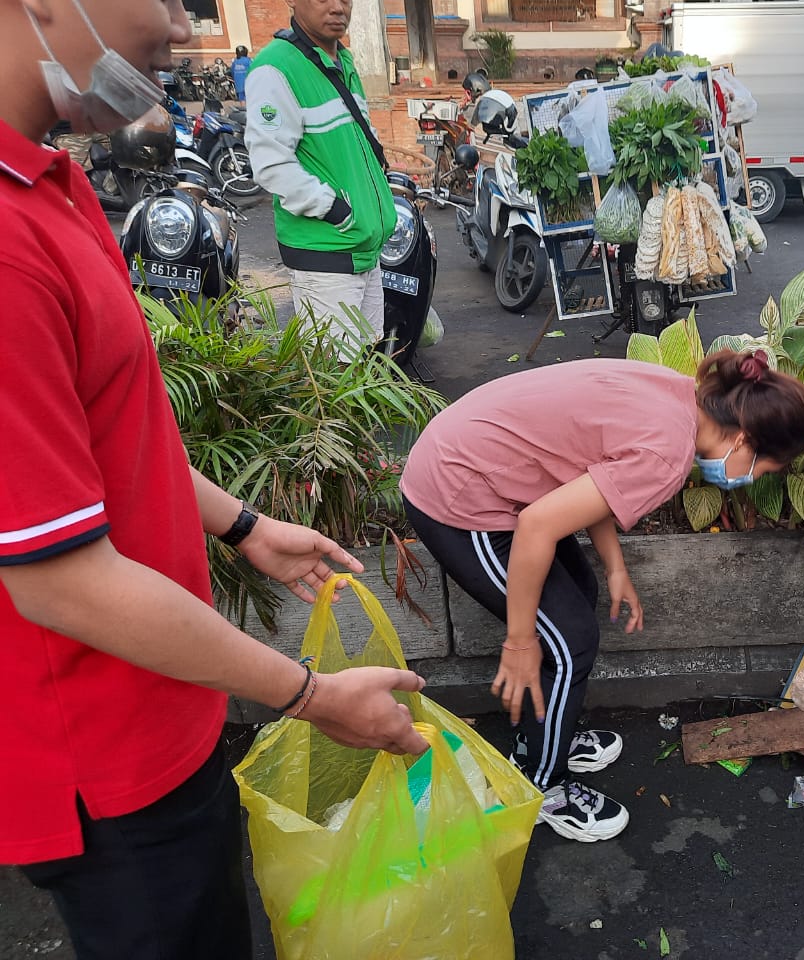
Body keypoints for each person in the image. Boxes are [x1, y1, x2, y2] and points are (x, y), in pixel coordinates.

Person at [0, 2, 428, 958]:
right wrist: (314, 697)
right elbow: (55, 576)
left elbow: (111, 437)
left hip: (163, 709)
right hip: (106, 766)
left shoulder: (51, 180)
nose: (183, 22)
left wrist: (243, 526)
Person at [399, 352, 804, 842]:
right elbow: (537, 524)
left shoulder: (683, 397)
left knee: (579, 598)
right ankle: (540, 787)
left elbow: (591, 466)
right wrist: (518, 641)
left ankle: (544, 736)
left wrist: (616, 567)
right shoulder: (667, 454)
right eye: (764, 468)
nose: (754, 478)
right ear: (744, 438)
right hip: (461, 497)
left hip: (482, 463)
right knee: (567, 641)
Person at [245, 0, 395, 361]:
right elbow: (271, 164)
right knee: (334, 376)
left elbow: (359, 137)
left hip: (364, 249)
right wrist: (337, 211)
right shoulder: (276, 68)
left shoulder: (342, 62)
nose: (337, 7)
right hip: (327, 254)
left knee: (367, 363)